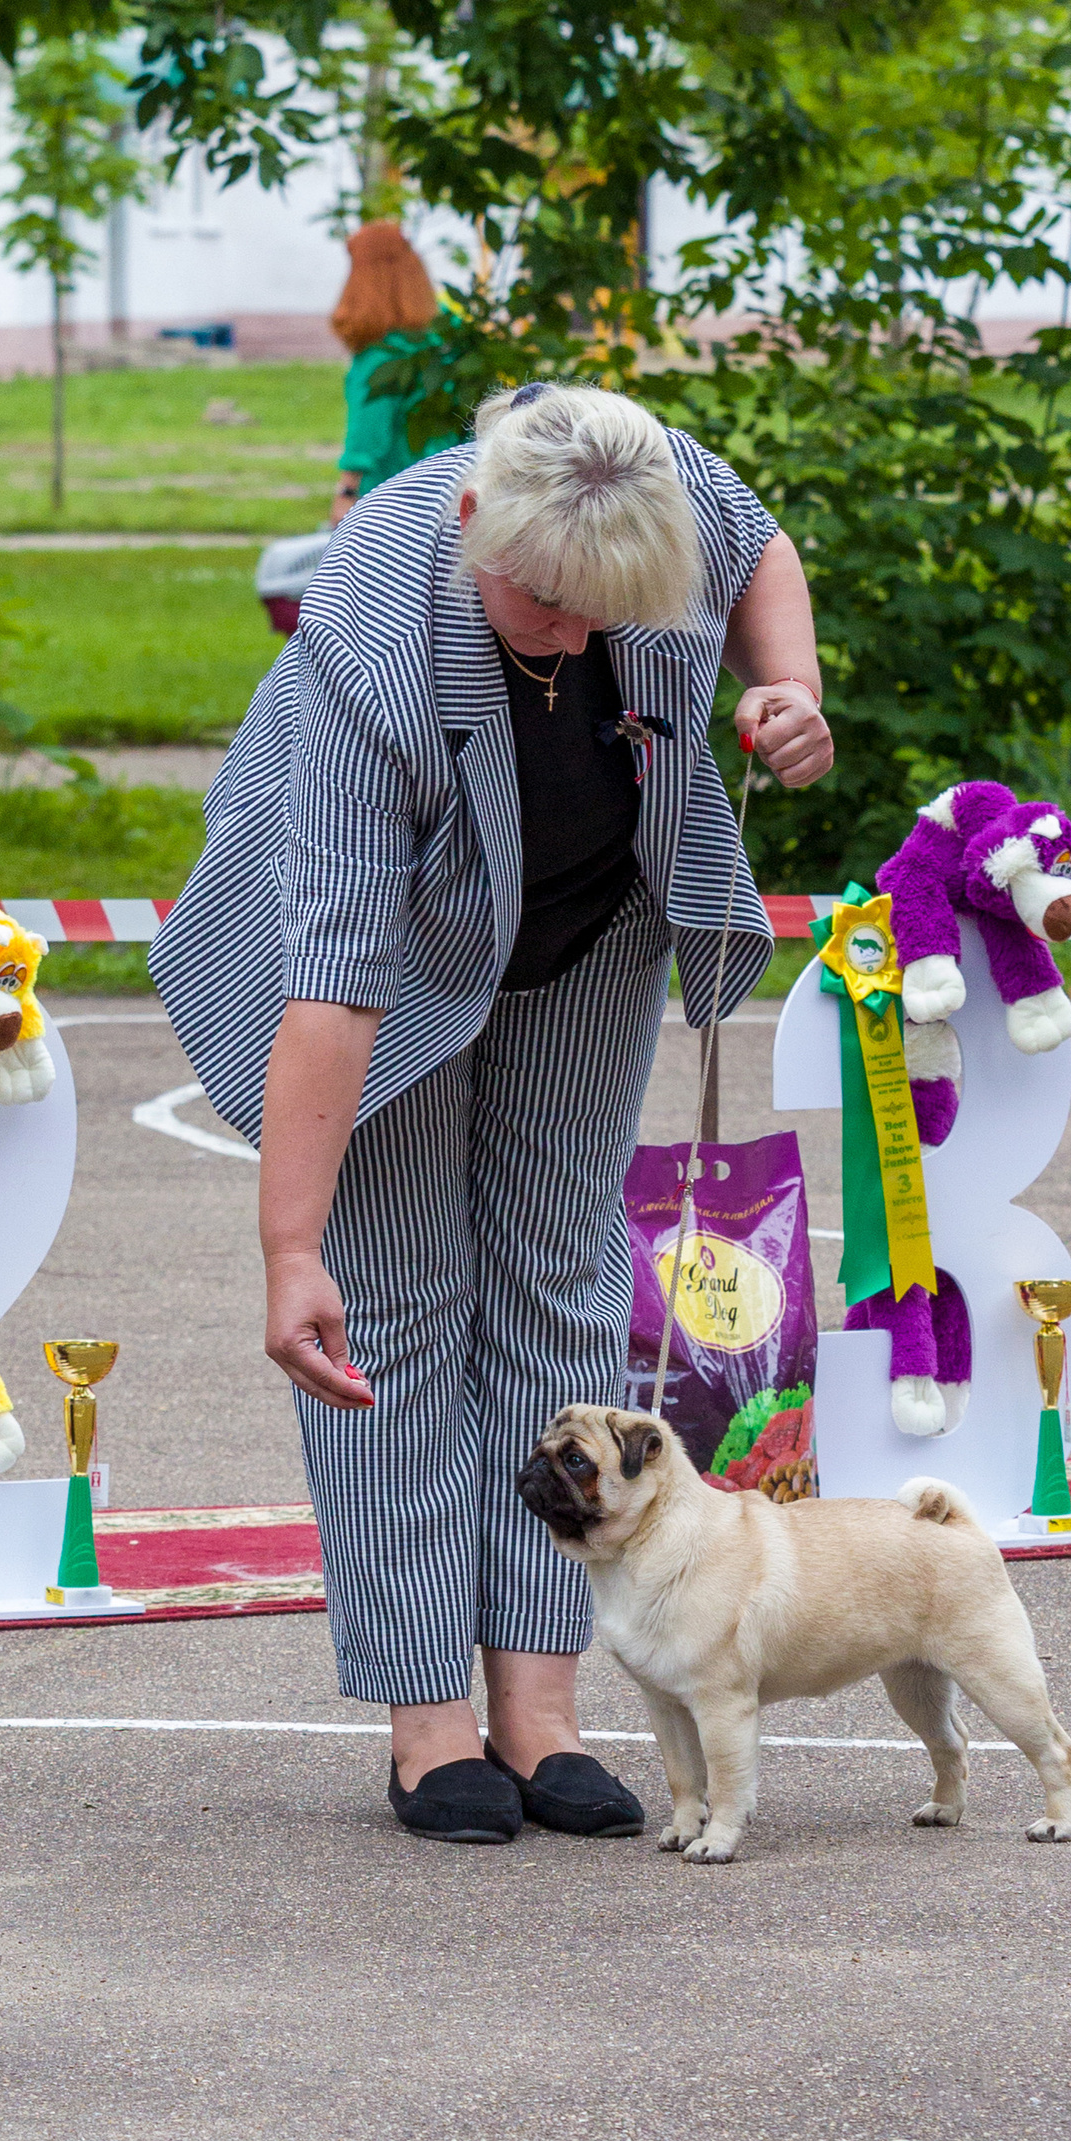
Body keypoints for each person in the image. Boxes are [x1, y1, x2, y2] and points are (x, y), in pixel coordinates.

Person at [152, 382, 832, 1844]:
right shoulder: (369, 640)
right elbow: (333, 980)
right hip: (391, 949)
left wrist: (789, 684)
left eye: (611, 614)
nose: (584, 639)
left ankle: (540, 1702)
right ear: (473, 522)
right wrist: (287, 1248)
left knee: (563, 1272)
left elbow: (757, 539)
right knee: (391, 1298)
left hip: (589, 925)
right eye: (549, 611)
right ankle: (428, 1718)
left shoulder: (638, 480)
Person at [326, 221, 442, 526]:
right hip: (447, 496)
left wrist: (347, 492)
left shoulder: (381, 357)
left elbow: (368, 435)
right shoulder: (444, 346)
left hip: (391, 502)